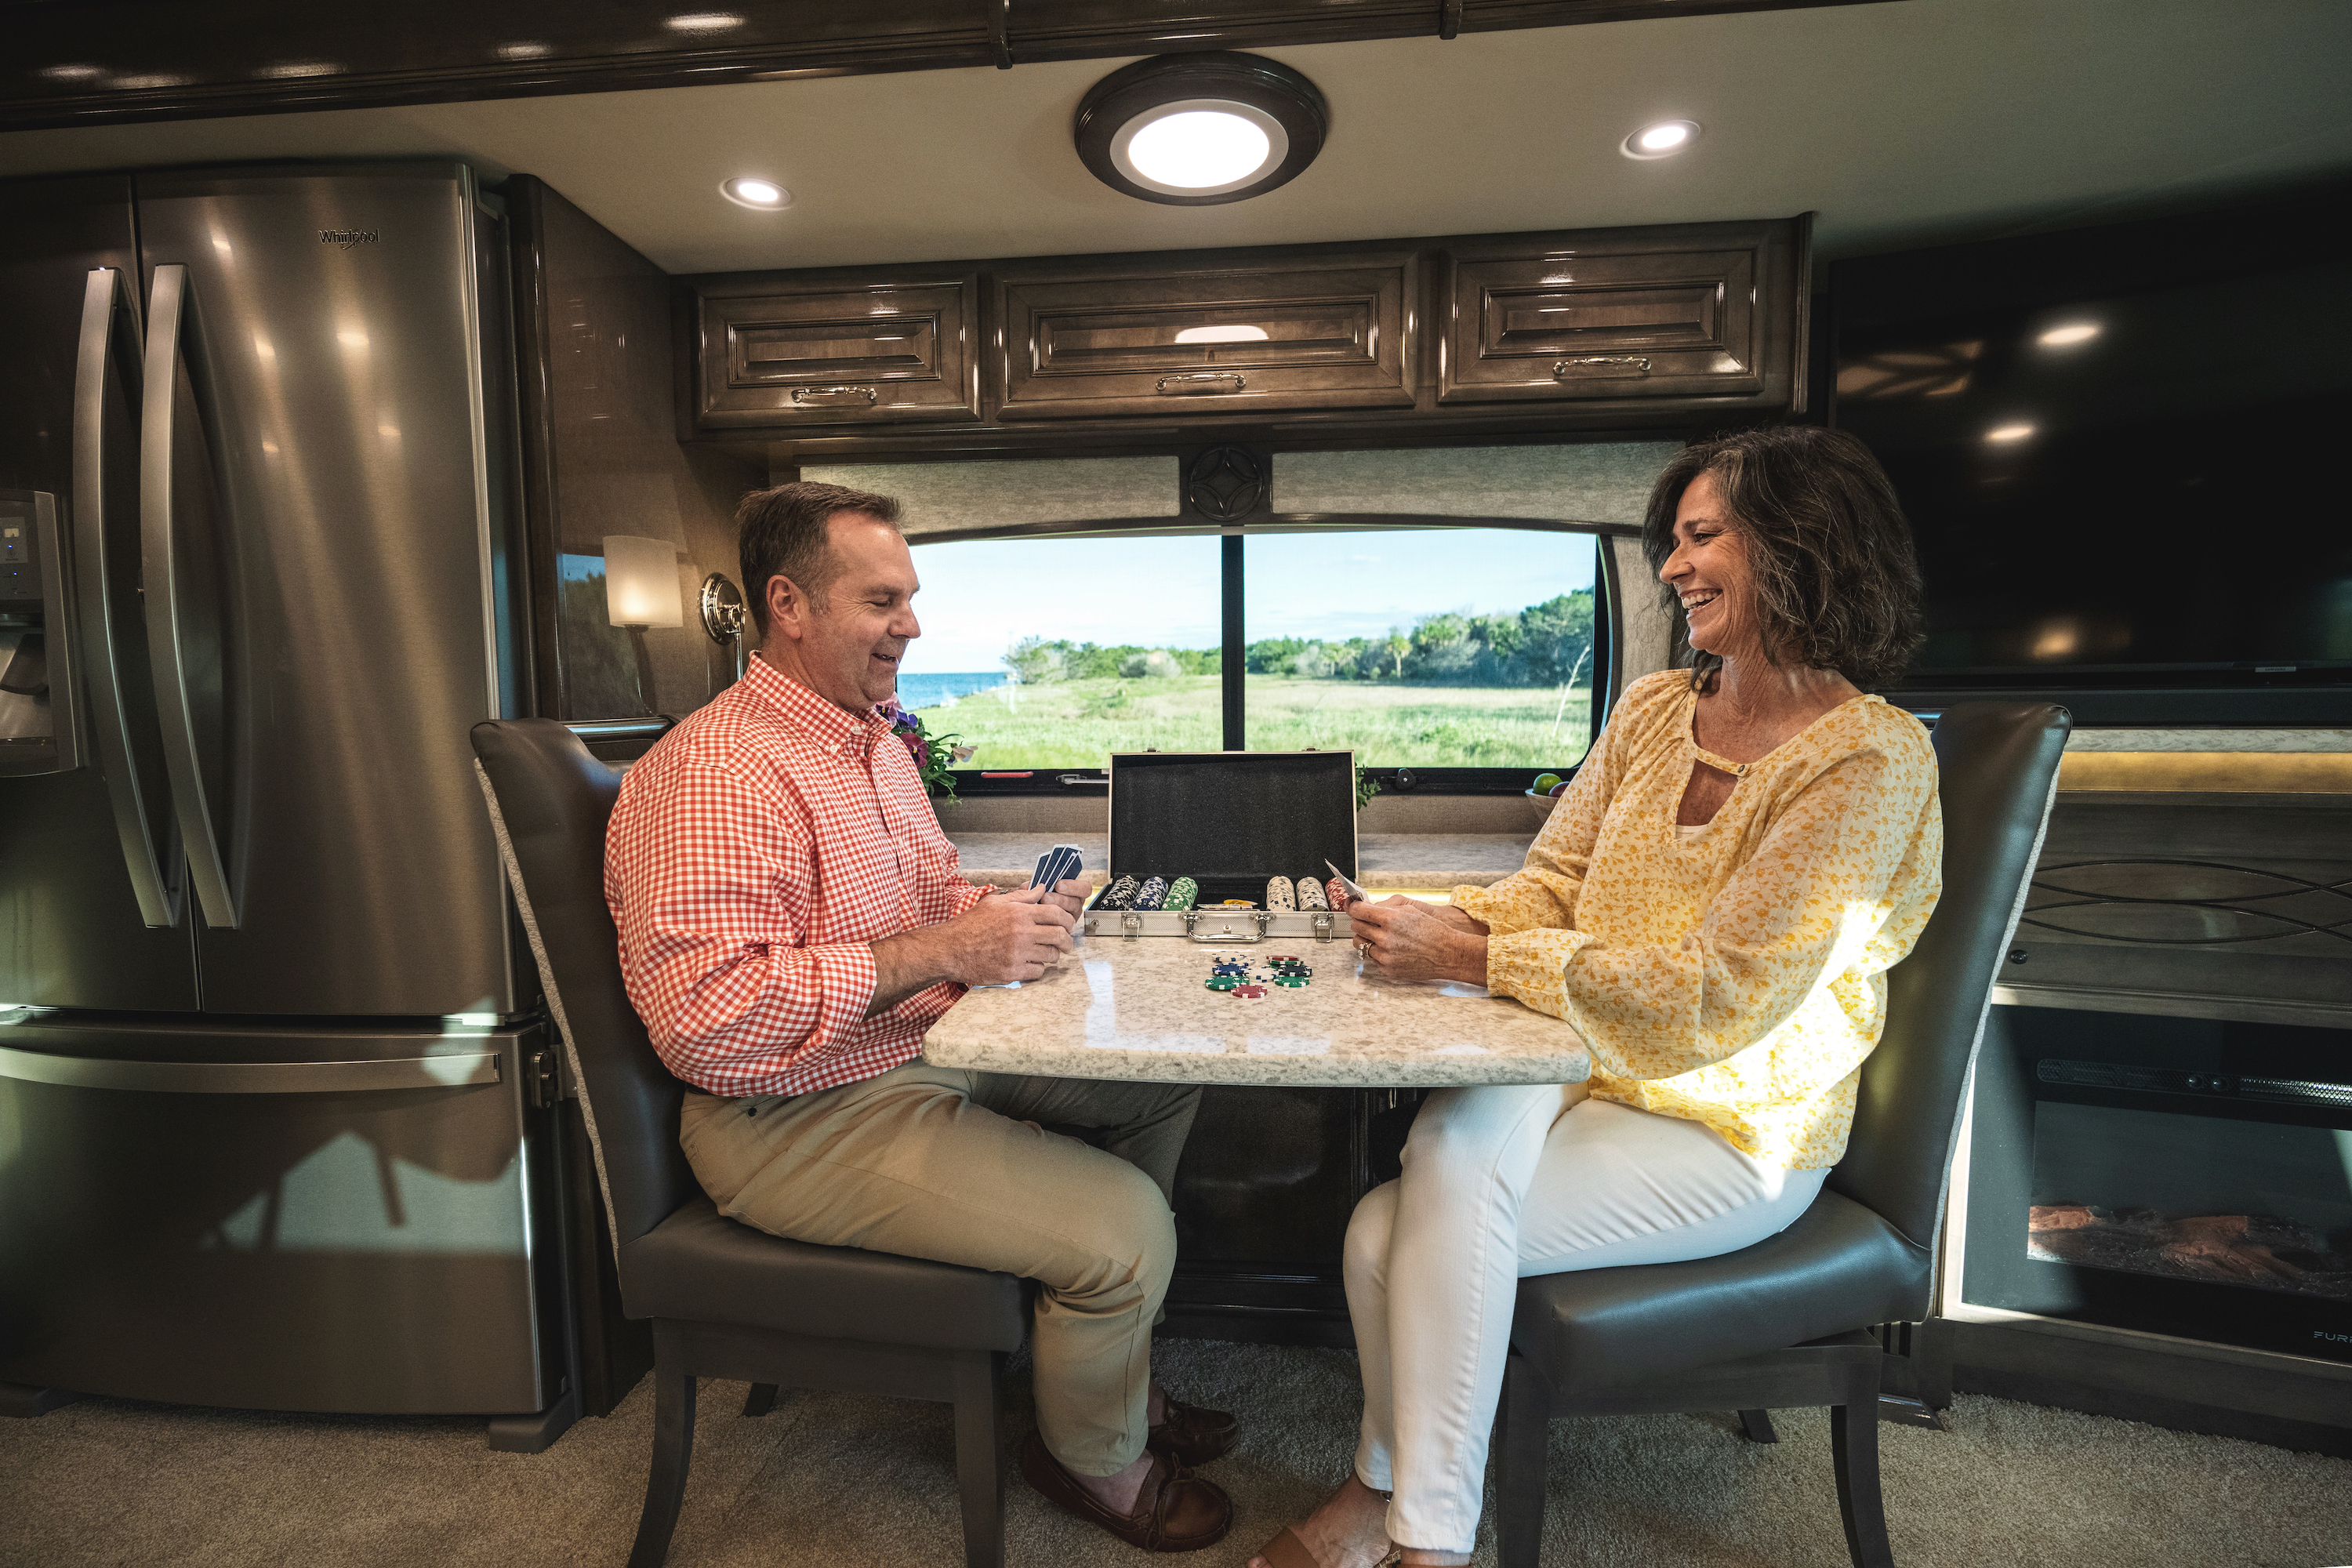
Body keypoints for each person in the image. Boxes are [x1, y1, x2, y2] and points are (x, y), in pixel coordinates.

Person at [1253, 426, 1944, 1568]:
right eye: (1673, 542)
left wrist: (1473, 961)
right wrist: (1415, 912)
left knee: (1400, 1221)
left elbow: (1726, 997)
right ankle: (1401, 1501)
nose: (1671, 568)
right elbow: (1557, 886)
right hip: (1585, 1066)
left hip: (1729, 1125)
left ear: (1803, 544)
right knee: (1415, 1183)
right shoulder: (1652, 712)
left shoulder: (1868, 763)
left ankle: (1415, 1526)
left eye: (1701, 537)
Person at [606, 481, 1236, 1554]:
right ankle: (1091, 1458)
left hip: (912, 1052)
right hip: (790, 1115)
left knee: (1160, 1082)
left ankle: (1100, 1372)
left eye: (912, 597)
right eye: (882, 599)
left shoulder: (871, 744)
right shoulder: (714, 774)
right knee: (1127, 1231)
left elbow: (918, 895)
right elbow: (706, 1021)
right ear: (788, 603)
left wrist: (1003, 914)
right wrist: (947, 951)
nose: (913, 625)